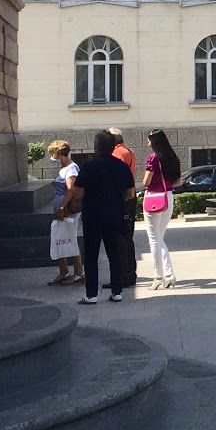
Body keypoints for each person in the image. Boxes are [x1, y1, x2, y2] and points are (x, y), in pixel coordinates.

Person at [67, 130, 135, 304]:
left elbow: (78, 193)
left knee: (91, 255)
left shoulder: (89, 166)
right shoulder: (121, 167)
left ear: (96, 147)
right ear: (113, 146)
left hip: (93, 215)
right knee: (115, 253)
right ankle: (117, 291)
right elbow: (130, 193)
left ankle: (91, 295)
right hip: (115, 215)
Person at [141, 129, 181, 290]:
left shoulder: (153, 158)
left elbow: (146, 181)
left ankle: (158, 277)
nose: (148, 143)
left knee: (154, 239)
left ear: (155, 142)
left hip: (153, 198)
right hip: (168, 197)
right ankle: (169, 276)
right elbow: (177, 181)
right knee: (160, 238)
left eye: (149, 140)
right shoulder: (173, 157)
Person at [46, 139, 83, 286]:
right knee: (57, 238)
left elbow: (71, 189)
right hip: (62, 209)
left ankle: (78, 272)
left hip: (67, 210)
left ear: (60, 154)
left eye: (53, 155)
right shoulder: (65, 167)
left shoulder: (71, 168)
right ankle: (64, 272)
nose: (53, 158)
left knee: (68, 238)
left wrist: (62, 207)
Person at [107, 127, 139, 287]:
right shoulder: (129, 151)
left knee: (119, 240)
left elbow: (117, 177)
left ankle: (122, 277)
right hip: (130, 198)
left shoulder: (117, 154)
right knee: (127, 239)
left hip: (121, 200)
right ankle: (129, 274)